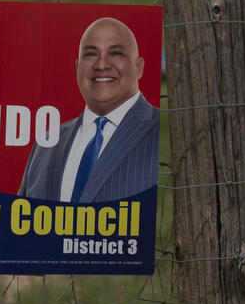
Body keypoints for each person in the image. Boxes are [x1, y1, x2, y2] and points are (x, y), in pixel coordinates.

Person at [18, 17, 158, 203]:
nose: (101, 65)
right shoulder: (46, 144)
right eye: (91, 54)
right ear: (77, 67)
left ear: (138, 67)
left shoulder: (161, 129)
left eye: (115, 53)